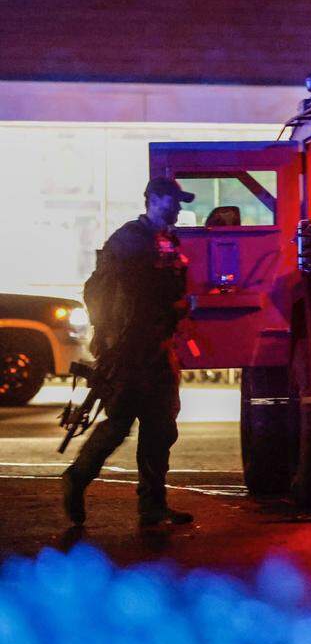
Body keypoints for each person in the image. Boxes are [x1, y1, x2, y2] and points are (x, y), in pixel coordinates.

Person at [61, 177, 194, 527]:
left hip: (159, 349)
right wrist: (108, 337)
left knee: (160, 429)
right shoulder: (130, 240)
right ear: (153, 199)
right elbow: (102, 291)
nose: (179, 207)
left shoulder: (165, 241)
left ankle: (152, 505)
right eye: (173, 200)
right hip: (130, 352)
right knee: (119, 425)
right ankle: (77, 477)